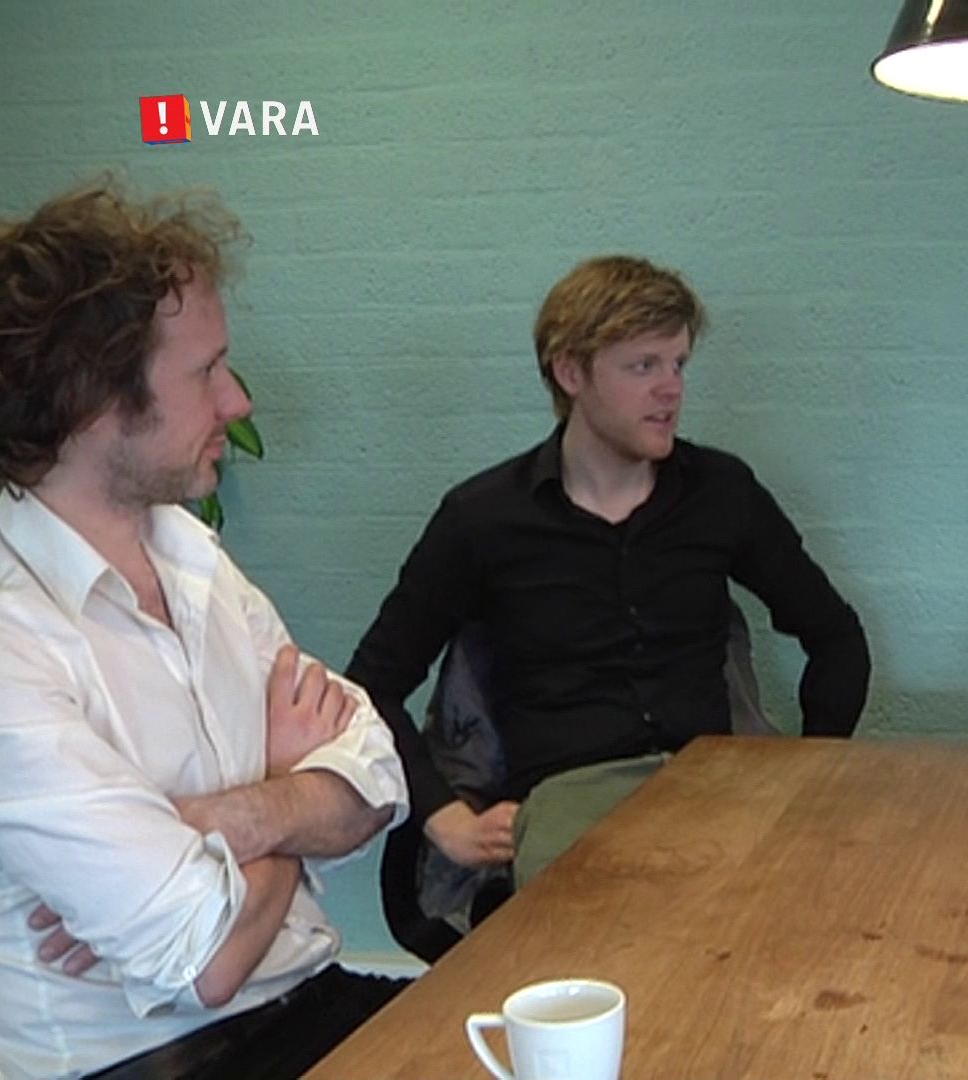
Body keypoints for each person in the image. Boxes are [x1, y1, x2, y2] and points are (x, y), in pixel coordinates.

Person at [0, 182, 408, 1079]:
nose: (237, 401)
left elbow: (377, 779)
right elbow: (205, 956)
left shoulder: (189, 554)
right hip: (148, 1063)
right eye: (206, 371)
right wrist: (293, 791)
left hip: (312, 1001)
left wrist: (223, 820)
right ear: (94, 400)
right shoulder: (1, 638)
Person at [347, 254, 870, 888]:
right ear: (571, 372)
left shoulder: (720, 492)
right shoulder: (483, 518)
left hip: (715, 783)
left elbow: (837, 636)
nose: (671, 389)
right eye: (643, 366)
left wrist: (811, 771)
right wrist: (443, 818)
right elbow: (370, 687)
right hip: (571, 804)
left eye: (678, 364)